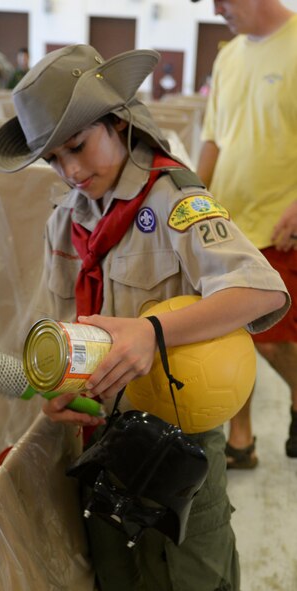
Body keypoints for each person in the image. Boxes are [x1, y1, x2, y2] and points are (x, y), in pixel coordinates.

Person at [0, 44, 289, 591]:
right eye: (54, 159)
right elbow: (59, 323)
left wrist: (153, 331)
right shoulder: (68, 220)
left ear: (118, 122)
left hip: (180, 437)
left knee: (189, 572)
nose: (71, 170)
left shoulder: (173, 200)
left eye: (78, 145)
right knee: (116, 571)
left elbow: (260, 291)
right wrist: (56, 386)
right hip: (102, 438)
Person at [196, 0, 297, 467]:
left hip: (281, 225)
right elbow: (214, 137)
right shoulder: (228, 55)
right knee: (233, 335)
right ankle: (242, 441)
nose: (217, 9)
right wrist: (191, 199)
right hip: (228, 226)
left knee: (275, 339)